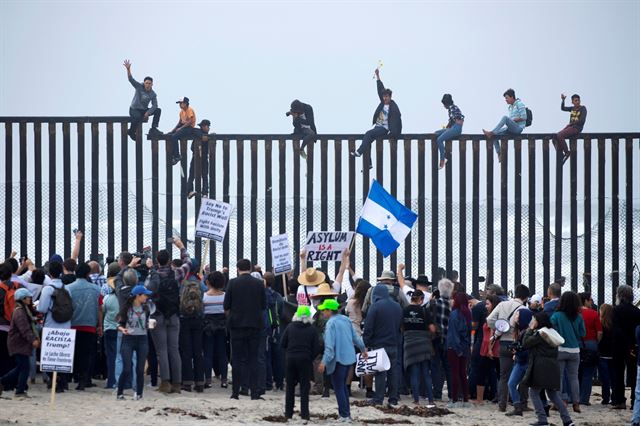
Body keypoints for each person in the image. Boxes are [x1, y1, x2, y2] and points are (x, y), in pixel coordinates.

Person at [145, 238, 192, 394]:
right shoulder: (177, 273)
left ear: (157, 261)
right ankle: (177, 383)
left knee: (161, 350)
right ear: (170, 260)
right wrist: (181, 247)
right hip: (174, 314)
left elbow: (147, 293)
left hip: (157, 314)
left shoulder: (153, 276)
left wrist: (150, 269)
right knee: (174, 349)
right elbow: (188, 262)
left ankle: (165, 382)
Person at [522, 312, 576, 426]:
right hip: (552, 366)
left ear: (539, 321)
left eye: (534, 320)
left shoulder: (540, 334)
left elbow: (526, 343)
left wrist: (529, 329)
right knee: (553, 394)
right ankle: (567, 420)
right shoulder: (552, 332)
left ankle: (542, 419)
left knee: (534, 392)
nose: (533, 322)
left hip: (540, 366)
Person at [318, 299, 366, 423]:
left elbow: (329, 346)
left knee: (338, 387)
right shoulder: (346, 320)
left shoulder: (330, 324)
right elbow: (355, 337)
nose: (322, 312)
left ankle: (344, 415)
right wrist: (363, 349)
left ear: (329, 311)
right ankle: (346, 414)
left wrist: (324, 361)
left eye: (324, 310)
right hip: (349, 358)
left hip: (338, 359)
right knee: (343, 387)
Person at [224, 259, 266, 400]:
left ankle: (236, 392)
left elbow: (226, 305)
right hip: (255, 324)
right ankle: (254, 392)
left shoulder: (232, 283)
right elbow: (263, 305)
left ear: (237, 269)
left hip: (236, 325)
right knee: (253, 358)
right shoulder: (259, 284)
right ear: (250, 268)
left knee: (237, 358)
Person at [487, 283, 530, 412]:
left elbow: (489, 320)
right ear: (526, 298)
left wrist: (500, 327)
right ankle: (522, 402)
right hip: (518, 345)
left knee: (503, 376)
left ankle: (502, 404)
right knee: (522, 375)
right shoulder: (525, 310)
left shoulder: (502, 305)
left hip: (503, 343)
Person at [352, 68, 402, 170]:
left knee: (368, 134)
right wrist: (378, 76)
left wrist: (393, 134)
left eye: (387, 97)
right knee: (367, 141)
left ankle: (359, 152)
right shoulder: (383, 103)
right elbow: (380, 89)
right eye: (384, 97)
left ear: (390, 97)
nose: (385, 98)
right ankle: (369, 163)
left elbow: (398, 120)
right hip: (378, 127)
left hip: (384, 128)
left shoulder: (394, 107)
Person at [363, 284, 403, 406]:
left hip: (379, 345)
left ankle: (378, 398)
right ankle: (393, 398)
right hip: (394, 344)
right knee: (393, 372)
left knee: (380, 372)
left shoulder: (374, 307)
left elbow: (368, 327)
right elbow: (400, 326)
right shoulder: (397, 307)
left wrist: (367, 342)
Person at [35, 260, 71, 392]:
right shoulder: (67, 288)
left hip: (51, 325)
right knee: (62, 356)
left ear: (49, 273)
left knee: (48, 355)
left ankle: (55, 379)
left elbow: (43, 308)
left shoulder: (48, 289)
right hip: (66, 325)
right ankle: (61, 381)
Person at [67, 261, 102, 391]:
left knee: (73, 353)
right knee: (87, 354)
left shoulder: (69, 288)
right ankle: (84, 379)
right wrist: (100, 325)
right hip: (90, 325)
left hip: (73, 325)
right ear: (88, 273)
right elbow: (99, 308)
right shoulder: (96, 289)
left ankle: (72, 376)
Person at [281, 305, 320, 421]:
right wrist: (309, 357)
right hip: (305, 359)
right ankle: (305, 414)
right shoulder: (312, 329)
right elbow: (316, 348)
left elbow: (282, 344)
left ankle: (288, 413)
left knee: (290, 387)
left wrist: (288, 353)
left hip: (291, 359)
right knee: (304, 387)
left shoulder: (290, 327)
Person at [0, 288, 39, 399]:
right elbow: (24, 329)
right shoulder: (20, 312)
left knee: (21, 367)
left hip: (18, 343)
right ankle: (19, 390)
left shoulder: (22, 310)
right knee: (24, 367)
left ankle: (5, 382)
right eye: (28, 297)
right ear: (23, 298)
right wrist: (33, 340)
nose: (30, 299)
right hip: (18, 344)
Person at [551, 291, 585, 413]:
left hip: (560, 349)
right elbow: (582, 333)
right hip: (575, 350)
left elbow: (551, 329)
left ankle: (558, 403)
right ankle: (576, 403)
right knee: (574, 378)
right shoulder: (579, 317)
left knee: (558, 377)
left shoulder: (557, 315)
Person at [116, 283, 152, 400]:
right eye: (145, 295)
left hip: (142, 338)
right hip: (128, 338)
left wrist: (150, 325)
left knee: (140, 369)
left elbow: (146, 323)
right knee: (127, 368)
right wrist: (123, 329)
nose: (146, 297)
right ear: (138, 295)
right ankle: (120, 392)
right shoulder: (126, 308)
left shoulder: (146, 308)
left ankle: (139, 393)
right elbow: (118, 324)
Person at [403, 289, 436, 405]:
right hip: (424, 344)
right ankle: (431, 400)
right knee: (426, 372)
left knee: (414, 372)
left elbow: (401, 327)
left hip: (410, 344)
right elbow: (432, 329)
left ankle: (416, 399)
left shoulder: (405, 310)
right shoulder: (424, 311)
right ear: (421, 299)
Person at [611, 285, 640, 409]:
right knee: (633, 373)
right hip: (633, 345)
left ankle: (619, 400)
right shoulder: (637, 311)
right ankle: (635, 400)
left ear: (619, 295)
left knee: (618, 372)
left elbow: (615, 329)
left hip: (618, 345)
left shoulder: (616, 310)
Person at [178, 263, 205, 393]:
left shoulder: (182, 282)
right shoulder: (200, 283)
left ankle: (187, 382)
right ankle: (200, 382)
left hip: (184, 319)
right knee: (198, 351)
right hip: (198, 319)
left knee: (186, 351)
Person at [483, 88, 528, 161]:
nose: (506, 100)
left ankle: (491, 132)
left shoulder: (519, 104)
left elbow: (524, 117)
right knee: (495, 135)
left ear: (512, 97)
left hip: (518, 128)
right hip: (510, 128)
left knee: (505, 118)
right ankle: (499, 154)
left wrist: (512, 120)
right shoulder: (510, 107)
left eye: (507, 98)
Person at [505, 307, 534, 416]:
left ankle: (543, 406)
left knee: (534, 387)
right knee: (511, 384)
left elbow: (527, 349)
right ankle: (518, 407)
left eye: (517, 315)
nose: (516, 317)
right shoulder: (519, 330)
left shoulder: (527, 331)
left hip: (525, 362)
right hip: (519, 361)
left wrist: (517, 350)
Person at [123, 59, 162, 140]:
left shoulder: (153, 94)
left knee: (158, 110)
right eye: (146, 83)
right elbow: (131, 79)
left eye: (149, 83)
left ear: (152, 84)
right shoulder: (139, 86)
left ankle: (153, 128)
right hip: (134, 109)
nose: (147, 85)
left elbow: (155, 105)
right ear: (144, 83)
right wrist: (128, 69)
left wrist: (148, 112)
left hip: (143, 110)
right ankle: (131, 132)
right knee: (137, 117)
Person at [202, 271, 228, 389]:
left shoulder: (204, 297)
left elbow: (202, 313)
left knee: (208, 353)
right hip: (222, 327)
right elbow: (227, 312)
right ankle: (224, 380)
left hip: (208, 328)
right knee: (222, 353)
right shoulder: (225, 296)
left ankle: (208, 380)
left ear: (209, 282)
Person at [474, 294, 500, 405]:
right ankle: (481, 399)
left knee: (484, 372)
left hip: (491, 348)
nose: (486, 306)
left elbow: (492, 334)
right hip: (487, 347)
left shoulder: (493, 317)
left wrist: (489, 349)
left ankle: (480, 399)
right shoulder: (490, 315)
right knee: (486, 372)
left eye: (488, 304)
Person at [446, 292, 471, 408]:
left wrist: (456, 348)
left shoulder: (454, 314)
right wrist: (464, 347)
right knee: (463, 373)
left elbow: (453, 333)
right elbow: (468, 333)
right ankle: (465, 399)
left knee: (454, 373)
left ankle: (454, 399)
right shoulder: (468, 314)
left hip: (454, 347)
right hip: (464, 346)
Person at [431, 278, 454, 402]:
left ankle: (437, 393)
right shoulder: (452, 306)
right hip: (448, 339)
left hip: (436, 338)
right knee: (448, 367)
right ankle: (451, 393)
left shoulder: (435, 303)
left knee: (435, 366)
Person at [578, 292, 602, 406]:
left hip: (577, 343)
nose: (592, 302)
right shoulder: (594, 314)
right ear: (586, 301)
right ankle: (584, 399)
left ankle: (575, 397)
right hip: (591, 343)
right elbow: (600, 332)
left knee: (576, 372)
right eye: (590, 300)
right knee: (588, 373)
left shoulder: (576, 313)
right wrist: (596, 341)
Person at [553, 94, 587, 165]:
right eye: (575, 101)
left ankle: (567, 152)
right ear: (572, 102)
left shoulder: (583, 108)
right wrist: (563, 100)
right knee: (555, 137)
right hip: (570, 127)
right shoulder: (572, 108)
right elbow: (563, 108)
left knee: (560, 135)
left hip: (577, 128)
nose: (577, 102)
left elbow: (582, 121)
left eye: (578, 100)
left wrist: (571, 124)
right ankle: (560, 153)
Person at [102, 264, 120, 389]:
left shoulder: (107, 298)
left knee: (111, 356)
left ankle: (111, 381)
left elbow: (102, 311)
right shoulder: (125, 299)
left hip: (109, 328)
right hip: (121, 329)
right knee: (122, 356)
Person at [434, 94, 464, 169]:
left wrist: (452, 125)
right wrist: (447, 128)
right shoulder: (452, 108)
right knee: (436, 133)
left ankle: (442, 159)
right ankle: (445, 155)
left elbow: (458, 118)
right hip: (454, 127)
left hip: (456, 128)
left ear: (446, 103)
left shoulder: (452, 108)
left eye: (444, 104)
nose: (444, 106)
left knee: (439, 139)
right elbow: (451, 121)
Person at [166, 97, 196, 166]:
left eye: (181, 103)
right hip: (183, 126)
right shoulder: (181, 112)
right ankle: (173, 154)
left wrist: (181, 128)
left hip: (189, 127)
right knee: (170, 135)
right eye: (179, 103)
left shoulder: (189, 110)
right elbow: (179, 122)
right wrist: (172, 130)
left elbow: (190, 121)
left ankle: (177, 155)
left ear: (185, 103)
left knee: (174, 137)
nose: (180, 105)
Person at [187, 119, 213, 199]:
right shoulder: (197, 132)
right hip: (196, 157)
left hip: (204, 158)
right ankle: (189, 191)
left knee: (204, 176)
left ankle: (204, 193)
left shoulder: (209, 136)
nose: (208, 128)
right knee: (192, 175)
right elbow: (193, 130)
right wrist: (203, 137)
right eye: (206, 126)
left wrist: (207, 137)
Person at [597, 303, 614, 405]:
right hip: (612, 353)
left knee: (604, 378)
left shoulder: (600, 324)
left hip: (602, 353)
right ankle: (614, 396)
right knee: (613, 376)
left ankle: (605, 397)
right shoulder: (614, 324)